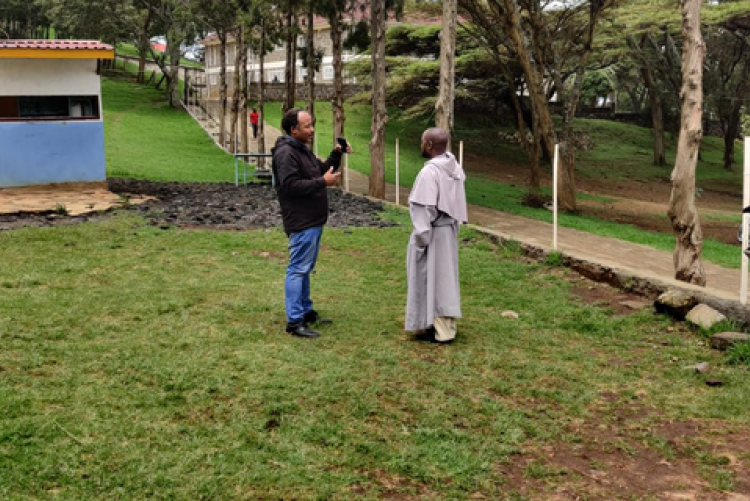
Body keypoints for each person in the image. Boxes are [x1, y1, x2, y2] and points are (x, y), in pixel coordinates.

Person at [272, 108, 349, 338]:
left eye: (312, 124)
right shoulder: (286, 153)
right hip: (301, 220)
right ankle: (294, 321)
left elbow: (320, 170)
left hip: (313, 220)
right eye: (307, 126)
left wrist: (337, 154)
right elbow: (289, 186)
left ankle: (304, 310)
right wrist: (322, 183)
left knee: (305, 268)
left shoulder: (300, 150)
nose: (312, 129)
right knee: (297, 269)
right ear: (293, 129)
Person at [405, 127, 468, 344]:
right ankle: (434, 323)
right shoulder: (455, 168)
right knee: (444, 278)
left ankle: (441, 329)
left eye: (423, 142)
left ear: (429, 145)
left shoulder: (429, 173)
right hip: (448, 231)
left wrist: (421, 240)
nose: (421, 145)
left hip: (433, 232)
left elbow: (424, 208)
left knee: (434, 278)